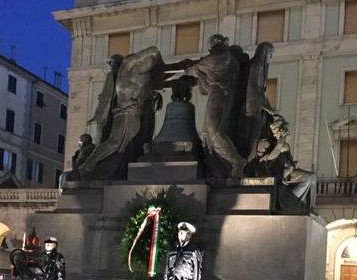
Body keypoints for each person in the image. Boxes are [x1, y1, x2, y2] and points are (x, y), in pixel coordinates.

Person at [73, 46, 165, 180]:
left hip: (133, 114)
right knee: (114, 142)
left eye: (151, 65)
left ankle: (121, 171)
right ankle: (88, 165)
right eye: (148, 62)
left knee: (132, 146)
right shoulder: (127, 66)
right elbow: (154, 49)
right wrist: (159, 59)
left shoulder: (141, 79)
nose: (148, 65)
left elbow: (149, 95)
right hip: (122, 113)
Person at [182, 34, 247, 184]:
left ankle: (236, 161)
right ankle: (220, 167)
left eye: (211, 46)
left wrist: (187, 65)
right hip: (222, 95)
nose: (210, 49)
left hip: (219, 95)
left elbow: (192, 69)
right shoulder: (231, 60)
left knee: (214, 130)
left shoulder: (218, 58)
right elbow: (204, 87)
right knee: (210, 133)